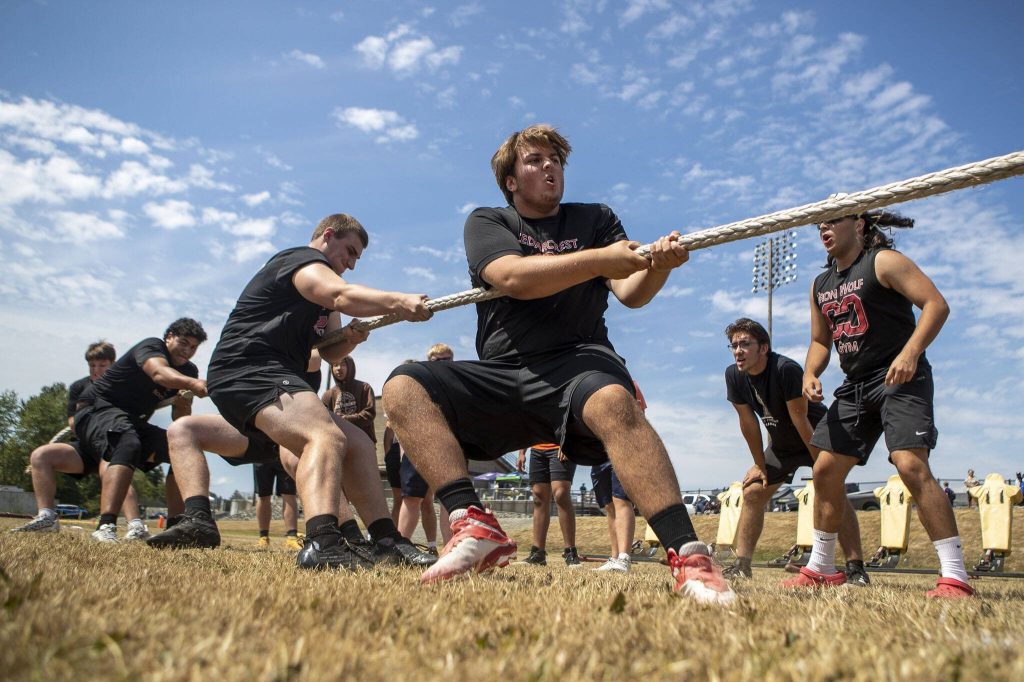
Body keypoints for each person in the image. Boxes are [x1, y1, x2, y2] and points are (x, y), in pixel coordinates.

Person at [383, 124, 734, 604]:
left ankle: (690, 558)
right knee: (404, 385)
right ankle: (471, 523)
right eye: (535, 160)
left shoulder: (595, 219)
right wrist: (598, 261)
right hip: (506, 372)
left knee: (615, 399)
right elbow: (511, 277)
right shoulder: (488, 221)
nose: (550, 167)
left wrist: (659, 268)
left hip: (579, 360)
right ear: (511, 179)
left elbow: (630, 293)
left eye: (556, 160)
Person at [146, 214, 436, 570]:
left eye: (357, 258)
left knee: (358, 445)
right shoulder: (300, 261)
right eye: (349, 252)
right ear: (327, 236)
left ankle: (386, 541)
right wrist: (398, 301)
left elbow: (328, 352)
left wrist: (348, 339)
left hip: (275, 379)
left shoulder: (324, 300)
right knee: (324, 435)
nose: (351, 263)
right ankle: (322, 541)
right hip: (248, 368)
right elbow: (341, 294)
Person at [787, 208, 972, 598]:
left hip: (899, 376)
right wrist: (810, 373)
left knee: (910, 464)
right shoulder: (820, 283)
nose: (823, 228)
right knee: (824, 472)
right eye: (819, 223)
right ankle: (822, 567)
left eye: (832, 220)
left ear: (859, 224)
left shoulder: (883, 262)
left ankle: (955, 576)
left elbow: (936, 304)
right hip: (855, 385)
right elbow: (821, 341)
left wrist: (910, 353)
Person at [722, 318, 867, 585]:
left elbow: (800, 419)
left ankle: (855, 567)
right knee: (753, 491)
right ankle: (742, 565)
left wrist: (822, 469)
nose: (738, 351)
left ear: (763, 348)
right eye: (733, 345)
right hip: (783, 444)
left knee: (832, 491)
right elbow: (748, 424)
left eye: (745, 344)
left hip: (815, 436)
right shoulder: (734, 375)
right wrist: (759, 464)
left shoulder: (785, 369)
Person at [12, 341, 160, 539]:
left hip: (111, 443)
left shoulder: (124, 388)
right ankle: (47, 517)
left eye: (102, 365)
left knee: (115, 470)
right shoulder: (79, 387)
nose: (96, 370)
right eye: (92, 365)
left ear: (113, 365)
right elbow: (74, 422)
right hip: (86, 446)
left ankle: (136, 527)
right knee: (41, 456)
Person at [517, 443, 580, 566]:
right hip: (537, 449)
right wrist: (521, 452)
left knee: (561, 494)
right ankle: (538, 553)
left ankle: (570, 552)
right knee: (538, 497)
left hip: (561, 447)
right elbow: (528, 423)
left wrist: (567, 442)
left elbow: (573, 422)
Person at [253, 461, 301, 550]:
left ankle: (292, 537)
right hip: (261, 453)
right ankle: (263, 537)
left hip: (284, 450)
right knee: (263, 496)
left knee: (289, 494)